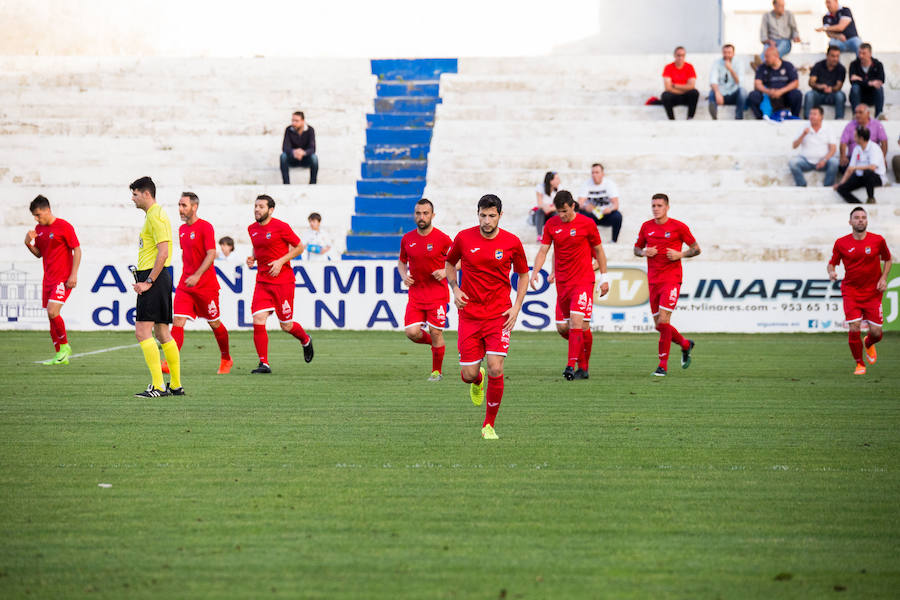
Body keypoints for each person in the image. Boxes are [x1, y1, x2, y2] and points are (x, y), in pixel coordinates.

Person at [445, 194, 528, 440]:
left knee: (495, 367)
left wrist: (516, 307)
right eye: (483, 215)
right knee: (469, 375)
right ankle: (477, 379)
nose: (487, 220)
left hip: (499, 315)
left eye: (492, 216)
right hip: (469, 315)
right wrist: (455, 288)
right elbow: (450, 264)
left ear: (500, 216)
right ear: (478, 214)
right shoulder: (463, 238)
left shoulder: (512, 242)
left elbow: (523, 275)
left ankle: (488, 425)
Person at [530, 191, 609, 380]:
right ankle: (582, 363)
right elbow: (544, 251)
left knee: (576, 322)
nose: (562, 216)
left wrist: (605, 278)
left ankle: (571, 366)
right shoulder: (551, 224)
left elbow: (599, 251)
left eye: (565, 211)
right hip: (563, 283)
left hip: (583, 281)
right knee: (565, 328)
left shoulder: (587, 224)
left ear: (573, 206)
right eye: (559, 212)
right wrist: (535, 272)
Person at [633, 193, 700, 377]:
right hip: (653, 281)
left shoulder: (678, 227)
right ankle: (686, 345)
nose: (655, 208)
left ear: (667, 207)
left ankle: (662, 366)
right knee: (659, 325)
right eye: (653, 205)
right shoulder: (646, 227)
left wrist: (681, 255)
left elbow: (696, 249)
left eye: (659, 205)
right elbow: (636, 249)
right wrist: (645, 251)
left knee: (664, 321)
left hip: (671, 280)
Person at [247, 194, 314, 372]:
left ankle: (305, 340)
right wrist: (252, 257)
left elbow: (300, 247)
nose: (257, 209)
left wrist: (280, 261)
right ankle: (264, 363)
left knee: (286, 325)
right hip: (262, 280)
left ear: (271, 210)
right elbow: (258, 245)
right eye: (255, 206)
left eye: (261, 206)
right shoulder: (251, 229)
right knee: (258, 318)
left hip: (282, 282)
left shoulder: (280, 226)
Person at [129, 176, 182, 398]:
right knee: (162, 331)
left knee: (142, 331)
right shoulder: (153, 215)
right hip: (157, 276)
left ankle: (159, 386)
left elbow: (164, 252)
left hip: (154, 277)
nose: (132, 198)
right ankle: (176, 385)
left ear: (147, 194)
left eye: (135, 194)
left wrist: (148, 281)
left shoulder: (156, 216)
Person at [170, 192, 232, 375]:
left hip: (206, 285)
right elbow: (186, 254)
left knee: (214, 323)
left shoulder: (205, 227)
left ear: (194, 207)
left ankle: (226, 358)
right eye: (179, 205)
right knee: (178, 320)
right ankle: (170, 362)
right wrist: (189, 275)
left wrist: (197, 275)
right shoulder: (182, 230)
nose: (180, 209)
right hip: (186, 284)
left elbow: (211, 253)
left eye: (184, 205)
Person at [827, 207, 893, 375]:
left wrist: (883, 278)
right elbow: (832, 263)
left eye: (863, 217)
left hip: (872, 292)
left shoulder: (877, 240)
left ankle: (869, 343)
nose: (860, 220)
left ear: (867, 221)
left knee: (877, 333)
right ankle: (859, 364)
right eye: (856, 217)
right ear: (850, 222)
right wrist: (831, 271)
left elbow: (887, 259)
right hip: (851, 291)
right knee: (854, 327)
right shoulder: (841, 243)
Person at [398, 199, 453, 381]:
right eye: (418, 213)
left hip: (437, 295)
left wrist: (446, 271)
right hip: (416, 295)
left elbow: (460, 260)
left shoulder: (443, 239)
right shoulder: (407, 239)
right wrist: (404, 276)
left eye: (425, 213)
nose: (421, 217)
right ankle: (436, 346)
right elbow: (401, 262)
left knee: (436, 331)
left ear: (432, 215)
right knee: (412, 333)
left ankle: (436, 372)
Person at [24, 195, 81, 365]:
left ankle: (64, 347)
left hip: (63, 279)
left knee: (52, 311)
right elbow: (40, 254)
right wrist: (28, 243)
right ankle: (59, 355)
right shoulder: (38, 229)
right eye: (34, 215)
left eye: (38, 214)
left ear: (47, 210)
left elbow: (77, 250)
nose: (36, 218)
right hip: (48, 279)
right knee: (51, 316)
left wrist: (73, 274)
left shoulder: (64, 226)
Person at [834, 127, 886, 204]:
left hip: (876, 177)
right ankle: (858, 205)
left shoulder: (874, 148)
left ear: (861, 138)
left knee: (868, 173)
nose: (853, 138)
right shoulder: (857, 148)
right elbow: (850, 169)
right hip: (860, 177)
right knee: (841, 189)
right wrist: (841, 183)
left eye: (855, 136)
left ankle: (871, 198)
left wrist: (855, 167)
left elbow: (872, 167)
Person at [789, 106, 838, 187]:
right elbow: (794, 146)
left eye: (815, 114)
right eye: (810, 114)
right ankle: (802, 185)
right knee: (793, 163)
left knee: (834, 162)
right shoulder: (804, 127)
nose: (811, 116)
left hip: (823, 161)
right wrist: (803, 135)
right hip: (806, 161)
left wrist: (824, 160)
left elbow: (833, 148)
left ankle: (827, 186)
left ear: (821, 116)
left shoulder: (828, 128)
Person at [748, 46, 801, 119]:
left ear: (776, 56)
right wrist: (769, 91)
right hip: (768, 96)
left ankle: (794, 118)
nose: (765, 59)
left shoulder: (788, 66)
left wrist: (781, 91)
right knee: (753, 95)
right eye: (765, 57)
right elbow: (757, 84)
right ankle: (761, 119)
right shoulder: (762, 67)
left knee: (796, 94)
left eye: (767, 57)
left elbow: (795, 83)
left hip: (784, 96)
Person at [577, 163, 623, 242]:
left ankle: (614, 240)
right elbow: (579, 204)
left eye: (597, 172)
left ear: (602, 174)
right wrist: (585, 207)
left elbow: (616, 204)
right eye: (593, 173)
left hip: (605, 214)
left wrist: (610, 209)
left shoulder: (609, 184)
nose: (594, 175)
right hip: (591, 214)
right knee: (579, 214)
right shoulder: (586, 184)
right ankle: (583, 240)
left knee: (618, 216)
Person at [839, 104, 888, 173]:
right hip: (854, 157)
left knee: (871, 170)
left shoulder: (877, 124)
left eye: (860, 112)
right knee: (843, 165)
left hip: (871, 157)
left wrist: (882, 158)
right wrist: (843, 156)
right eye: (856, 112)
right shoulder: (850, 125)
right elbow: (843, 142)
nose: (857, 115)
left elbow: (884, 142)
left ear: (868, 113)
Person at [804, 46, 846, 119]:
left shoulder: (841, 68)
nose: (835, 59)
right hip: (818, 94)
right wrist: (819, 86)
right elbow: (811, 82)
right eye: (833, 56)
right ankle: (807, 119)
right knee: (809, 95)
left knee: (840, 95)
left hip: (832, 95)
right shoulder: (818, 65)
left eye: (837, 56)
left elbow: (839, 86)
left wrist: (831, 89)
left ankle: (839, 119)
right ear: (827, 55)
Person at [708, 44, 746, 120]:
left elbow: (740, 82)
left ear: (733, 53)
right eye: (725, 52)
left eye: (729, 52)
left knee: (742, 92)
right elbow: (713, 80)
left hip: (733, 94)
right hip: (721, 94)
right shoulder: (717, 63)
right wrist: (717, 93)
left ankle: (739, 117)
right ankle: (714, 117)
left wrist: (731, 69)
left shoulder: (739, 63)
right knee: (712, 92)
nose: (727, 55)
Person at [848, 44, 886, 119]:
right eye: (859, 53)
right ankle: (856, 114)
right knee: (855, 87)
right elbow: (852, 81)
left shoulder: (878, 65)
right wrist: (870, 83)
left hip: (872, 96)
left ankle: (879, 114)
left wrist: (861, 80)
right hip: (859, 96)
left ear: (870, 54)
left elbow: (881, 80)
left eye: (864, 53)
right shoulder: (854, 64)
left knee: (879, 88)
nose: (861, 56)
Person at [280, 111, 318, 185]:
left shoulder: (310, 130)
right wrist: (294, 152)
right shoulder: (288, 129)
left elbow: (312, 148)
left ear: (303, 121)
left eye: (296, 121)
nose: (294, 123)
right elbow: (285, 147)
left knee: (314, 158)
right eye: (293, 120)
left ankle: (313, 184)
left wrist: (303, 153)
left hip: (305, 158)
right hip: (293, 158)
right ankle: (286, 184)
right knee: (283, 156)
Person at [661, 46, 699, 120]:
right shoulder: (668, 67)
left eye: (682, 55)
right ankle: (672, 120)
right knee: (665, 95)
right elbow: (668, 88)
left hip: (685, 97)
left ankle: (690, 118)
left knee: (694, 93)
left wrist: (674, 85)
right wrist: (685, 88)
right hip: (674, 97)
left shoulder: (689, 67)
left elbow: (691, 86)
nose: (680, 58)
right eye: (678, 55)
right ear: (674, 56)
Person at [534, 171, 559, 238]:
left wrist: (550, 209)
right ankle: (539, 235)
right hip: (542, 211)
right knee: (539, 212)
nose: (559, 181)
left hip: (552, 211)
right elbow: (539, 204)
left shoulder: (559, 188)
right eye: (557, 179)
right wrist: (545, 207)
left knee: (555, 213)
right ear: (551, 181)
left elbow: (559, 205)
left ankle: (555, 234)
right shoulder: (540, 187)